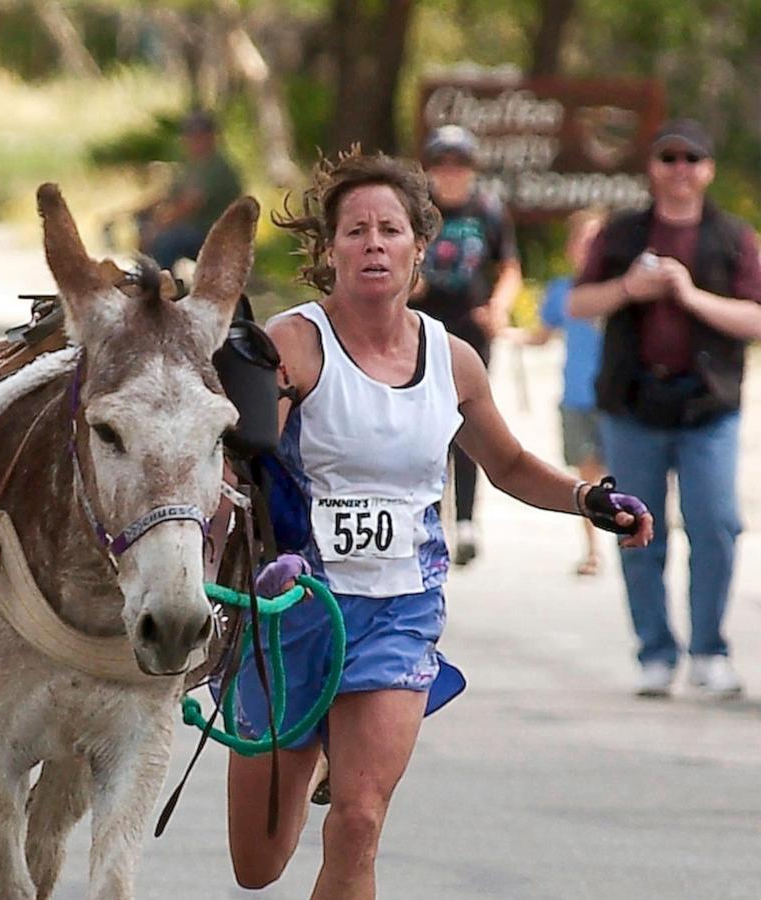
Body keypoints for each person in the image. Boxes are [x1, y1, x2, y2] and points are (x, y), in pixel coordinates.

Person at [223, 149, 651, 896]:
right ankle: (317, 747)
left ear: (421, 246)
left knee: (357, 823)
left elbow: (510, 465)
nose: (373, 243)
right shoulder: (295, 345)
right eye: (354, 230)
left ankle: (345, 758)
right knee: (257, 867)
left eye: (390, 229)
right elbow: (241, 466)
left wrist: (589, 500)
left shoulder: (452, 361)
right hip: (290, 611)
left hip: (398, 614)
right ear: (329, 251)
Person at [568, 118, 761, 700]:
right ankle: (655, 651)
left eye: (691, 159)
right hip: (633, 403)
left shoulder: (733, 236)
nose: (680, 169)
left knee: (717, 524)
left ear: (708, 170)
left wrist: (688, 294)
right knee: (634, 527)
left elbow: (754, 317)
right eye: (668, 157)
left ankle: (709, 651)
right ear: (652, 167)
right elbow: (578, 302)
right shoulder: (622, 234)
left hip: (708, 406)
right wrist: (630, 289)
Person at [411, 124, 523, 566]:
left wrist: (499, 306)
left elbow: (509, 267)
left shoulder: (488, 211)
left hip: (471, 328)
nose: (451, 173)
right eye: (442, 163)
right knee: (426, 423)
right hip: (424, 326)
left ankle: (466, 520)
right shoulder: (419, 211)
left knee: (468, 421)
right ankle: (430, 515)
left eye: (459, 164)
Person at [517, 208, 607, 576]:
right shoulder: (560, 290)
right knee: (588, 476)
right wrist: (507, 335)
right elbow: (543, 335)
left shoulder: (625, 290)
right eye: (582, 241)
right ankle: (593, 548)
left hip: (619, 397)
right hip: (577, 395)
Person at [139, 109, 244, 271]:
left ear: (212, 137)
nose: (194, 141)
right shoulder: (191, 166)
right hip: (193, 230)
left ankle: (162, 287)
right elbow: (167, 195)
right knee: (144, 225)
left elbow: (190, 204)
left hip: (214, 234)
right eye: (190, 135)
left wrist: (157, 227)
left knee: (166, 241)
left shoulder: (217, 167)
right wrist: (135, 212)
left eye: (200, 135)